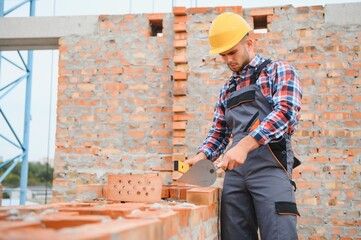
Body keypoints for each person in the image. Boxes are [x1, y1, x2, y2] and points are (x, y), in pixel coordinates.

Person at [185, 12, 302, 240]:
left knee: (279, 234)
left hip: (270, 170)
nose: (228, 60)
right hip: (235, 175)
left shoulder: (277, 71)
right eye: (223, 55)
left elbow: (286, 113)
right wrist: (201, 157)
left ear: (249, 43)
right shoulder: (227, 89)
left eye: (232, 52)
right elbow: (219, 133)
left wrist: (244, 146)